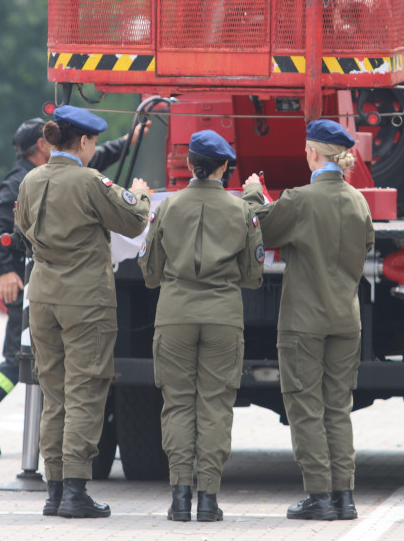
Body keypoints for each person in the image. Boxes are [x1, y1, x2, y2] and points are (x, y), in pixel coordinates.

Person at [0, 117, 145, 457]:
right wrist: (7, 271)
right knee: (18, 360)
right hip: (30, 284)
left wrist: (129, 140)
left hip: (39, 288)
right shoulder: (21, 180)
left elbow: (89, 158)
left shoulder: (36, 176)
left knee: (31, 368)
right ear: (43, 145)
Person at [15, 105, 151, 519]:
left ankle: (54, 490)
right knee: (85, 392)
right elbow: (132, 220)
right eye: (93, 142)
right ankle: (76, 490)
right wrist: (141, 193)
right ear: (86, 142)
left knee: (53, 394)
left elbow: (21, 226)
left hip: (42, 297)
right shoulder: (91, 181)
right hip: (85, 300)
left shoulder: (32, 179)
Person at [242, 119, 374, 522]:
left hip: (304, 320)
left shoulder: (302, 199)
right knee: (338, 407)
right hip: (345, 318)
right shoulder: (358, 201)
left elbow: (262, 229)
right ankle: (344, 496)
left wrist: (252, 194)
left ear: (314, 153)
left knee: (305, 407)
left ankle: (318, 496)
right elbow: (366, 243)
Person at [139, 130, 264, 523]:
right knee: (215, 406)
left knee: (177, 403)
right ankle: (208, 499)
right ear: (224, 167)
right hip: (223, 317)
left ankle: (179, 498)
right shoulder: (240, 210)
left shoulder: (168, 207)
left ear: (190, 165)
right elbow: (253, 276)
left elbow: (150, 272)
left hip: (174, 314)